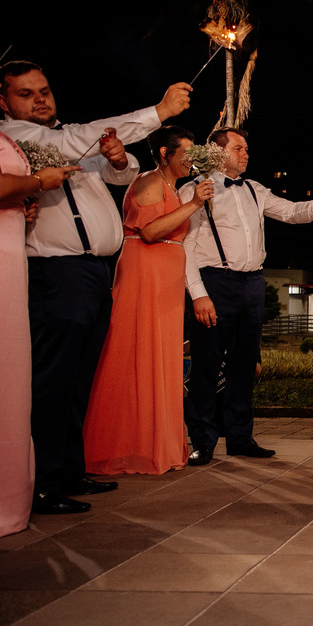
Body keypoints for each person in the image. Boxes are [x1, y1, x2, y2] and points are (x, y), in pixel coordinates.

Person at [0, 60, 192, 514]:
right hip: (57, 272)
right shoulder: (17, 138)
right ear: (4, 102)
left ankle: (69, 469)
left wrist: (120, 162)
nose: (41, 98)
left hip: (94, 271)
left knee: (80, 377)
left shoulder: (62, 141)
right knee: (53, 380)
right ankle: (43, 483)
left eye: (44, 89)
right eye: (27, 93)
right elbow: (74, 139)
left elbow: (112, 175)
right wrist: (158, 112)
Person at [181, 128, 313, 465]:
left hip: (253, 284)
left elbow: (290, 212)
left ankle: (240, 438)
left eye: (247, 148)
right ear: (217, 152)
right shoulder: (196, 191)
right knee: (207, 368)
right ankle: (202, 441)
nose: (246, 154)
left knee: (244, 366)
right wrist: (198, 294)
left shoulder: (255, 189)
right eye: (239, 148)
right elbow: (187, 248)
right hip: (214, 282)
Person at [0, 44, 77, 541]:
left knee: (4, 375)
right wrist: (39, 180)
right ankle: (1, 494)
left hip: (1, 249)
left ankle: (9, 485)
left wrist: (26, 200)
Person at [83, 127, 214, 474]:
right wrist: (194, 204)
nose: (190, 160)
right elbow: (150, 231)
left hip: (166, 279)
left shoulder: (172, 186)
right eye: (183, 153)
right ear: (163, 154)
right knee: (136, 352)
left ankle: (156, 444)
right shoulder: (149, 181)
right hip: (144, 273)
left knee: (160, 356)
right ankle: (124, 445)